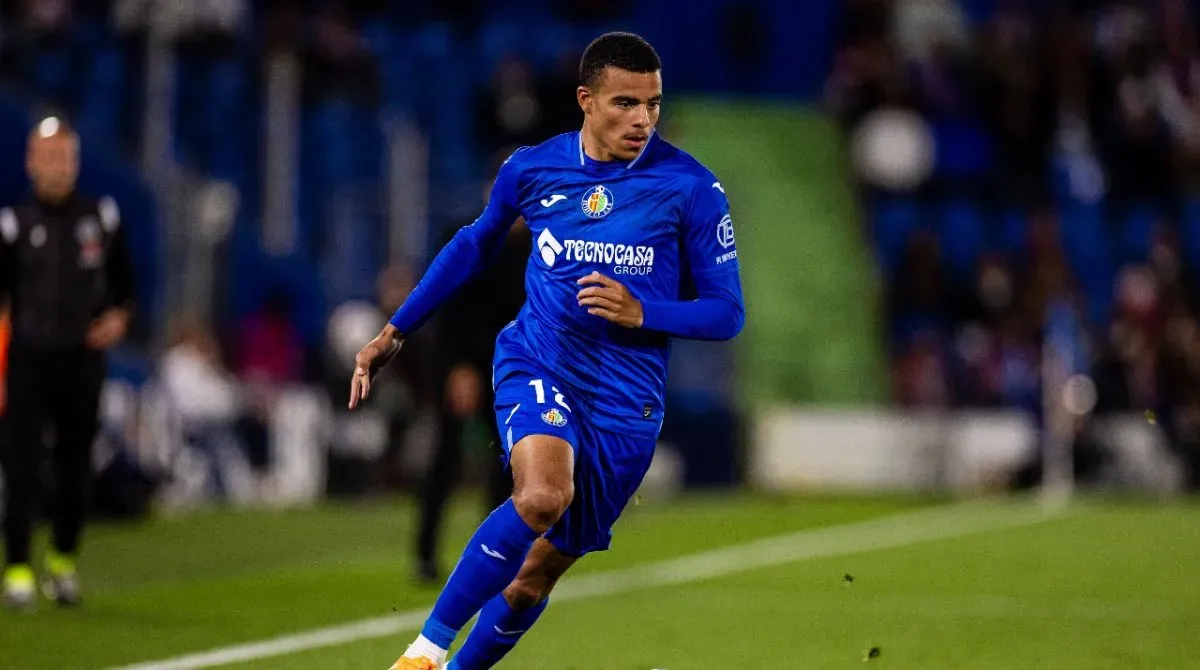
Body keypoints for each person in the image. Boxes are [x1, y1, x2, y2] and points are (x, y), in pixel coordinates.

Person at [350, 32, 745, 669]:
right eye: (625, 103)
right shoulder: (532, 168)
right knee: (541, 496)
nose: (642, 120)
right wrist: (396, 330)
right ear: (586, 99)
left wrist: (644, 312)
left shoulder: (691, 188)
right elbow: (474, 245)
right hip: (539, 360)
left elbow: (727, 312)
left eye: (653, 104)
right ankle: (422, 653)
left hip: (626, 404)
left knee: (533, 578)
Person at [0, 116, 136, 610]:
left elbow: (126, 287)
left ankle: (61, 560)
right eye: (49, 157)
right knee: (20, 465)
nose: (58, 166)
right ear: (31, 162)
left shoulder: (100, 218)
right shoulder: (13, 224)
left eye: (65, 156)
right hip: (27, 359)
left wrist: (118, 319)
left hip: (81, 360)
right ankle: (17, 568)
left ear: (76, 162)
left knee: (75, 465)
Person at [416, 218, 530, 584]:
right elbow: (447, 301)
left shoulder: (535, 244)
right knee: (446, 457)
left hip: (505, 364)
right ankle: (425, 554)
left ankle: (493, 554)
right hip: (461, 362)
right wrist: (459, 365)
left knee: (508, 459)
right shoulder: (470, 236)